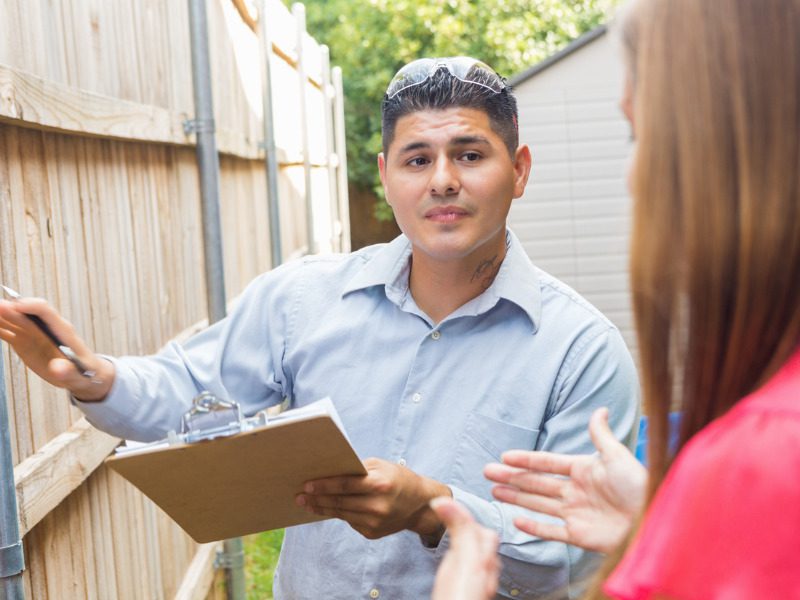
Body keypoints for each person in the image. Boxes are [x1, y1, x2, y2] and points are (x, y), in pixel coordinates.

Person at [0, 57, 639, 599]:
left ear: (520, 169)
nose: (443, 179)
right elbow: (196, 396)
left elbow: (573, 556)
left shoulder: (581, 352)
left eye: (469, 154)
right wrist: (96, 377)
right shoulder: (303, 298)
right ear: (386, 175)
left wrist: (434, 509)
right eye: (418, 159)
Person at [432, 0, 800, 598]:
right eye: (418, 159)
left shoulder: (765, 456)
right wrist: (669, 518)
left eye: (639, 130)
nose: (633, 175)